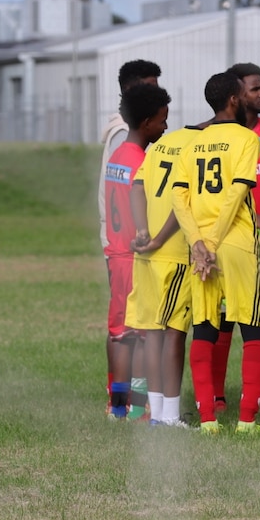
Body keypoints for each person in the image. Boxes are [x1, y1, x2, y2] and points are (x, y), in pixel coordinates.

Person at [171, 71, 260, 435]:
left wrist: (197, 242)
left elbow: (178, 198)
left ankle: (209, 421)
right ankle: (247, 420)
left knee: (203, 326)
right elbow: (235, 195)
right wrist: (213, 242)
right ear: (234, 100)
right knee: (252, 326)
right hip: (235, 245)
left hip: (199, 249)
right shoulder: (247, 139)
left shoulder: (191, 142)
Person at [206, 62, 260, 411]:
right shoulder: (220, 137)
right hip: (230, 240)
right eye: (255, 89)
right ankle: (219, 395)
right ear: (237, 96)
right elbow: (222, 194)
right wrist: (259, 220)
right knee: (224, 319)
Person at [127, 121, 202, 427]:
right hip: (174, 254)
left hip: (146, 256)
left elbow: (136, 188)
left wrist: (144, 230)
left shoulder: (160, 145)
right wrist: (160, 238)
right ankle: (170, 416)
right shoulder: (198, 147)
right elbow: (181, 200)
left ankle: (156, 413)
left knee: (153, 334)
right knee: (175, 334)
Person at [104, 83, 171, 420]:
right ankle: (142, 408)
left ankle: (117, 408)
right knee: (145, 336)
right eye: (162, 121)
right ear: (147, 122)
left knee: (119, 335)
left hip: (116, 256)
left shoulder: (117, 156)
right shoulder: (142, 162)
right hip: (137, 257)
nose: (166, 127)